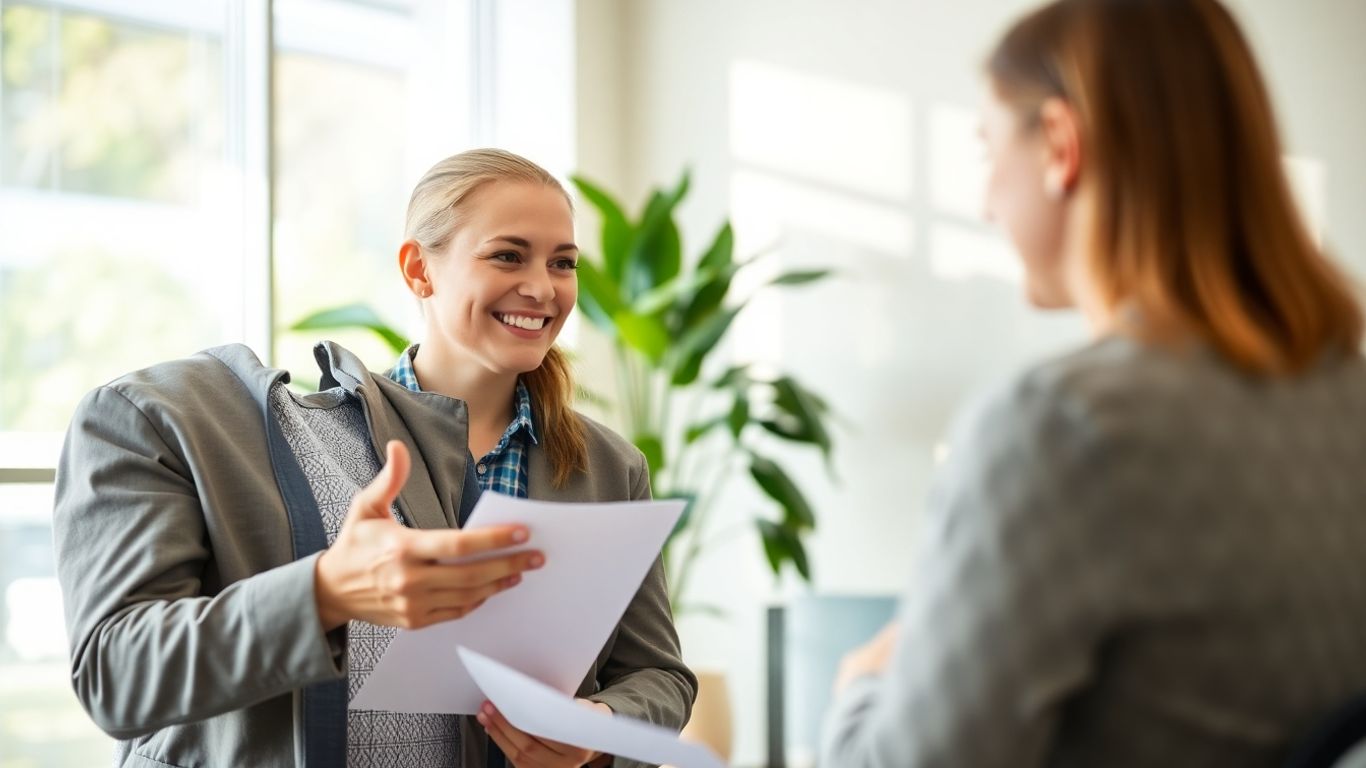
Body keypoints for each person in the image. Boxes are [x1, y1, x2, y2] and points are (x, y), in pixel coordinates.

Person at [822, 1, 1366, 766]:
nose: (983, 203)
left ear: (1058, 144)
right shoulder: (1348, 401)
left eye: (987, 150)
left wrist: (860, 689)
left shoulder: (1058, 428)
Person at [53, 147, 695, 768]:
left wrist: (598, 732)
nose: (542, 287)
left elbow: (658, 675)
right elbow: (117, 676)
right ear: (419, 269)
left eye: (563, 263)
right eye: (507, 255)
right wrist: (326, 591)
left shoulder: (611, 468)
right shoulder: (308, 446)